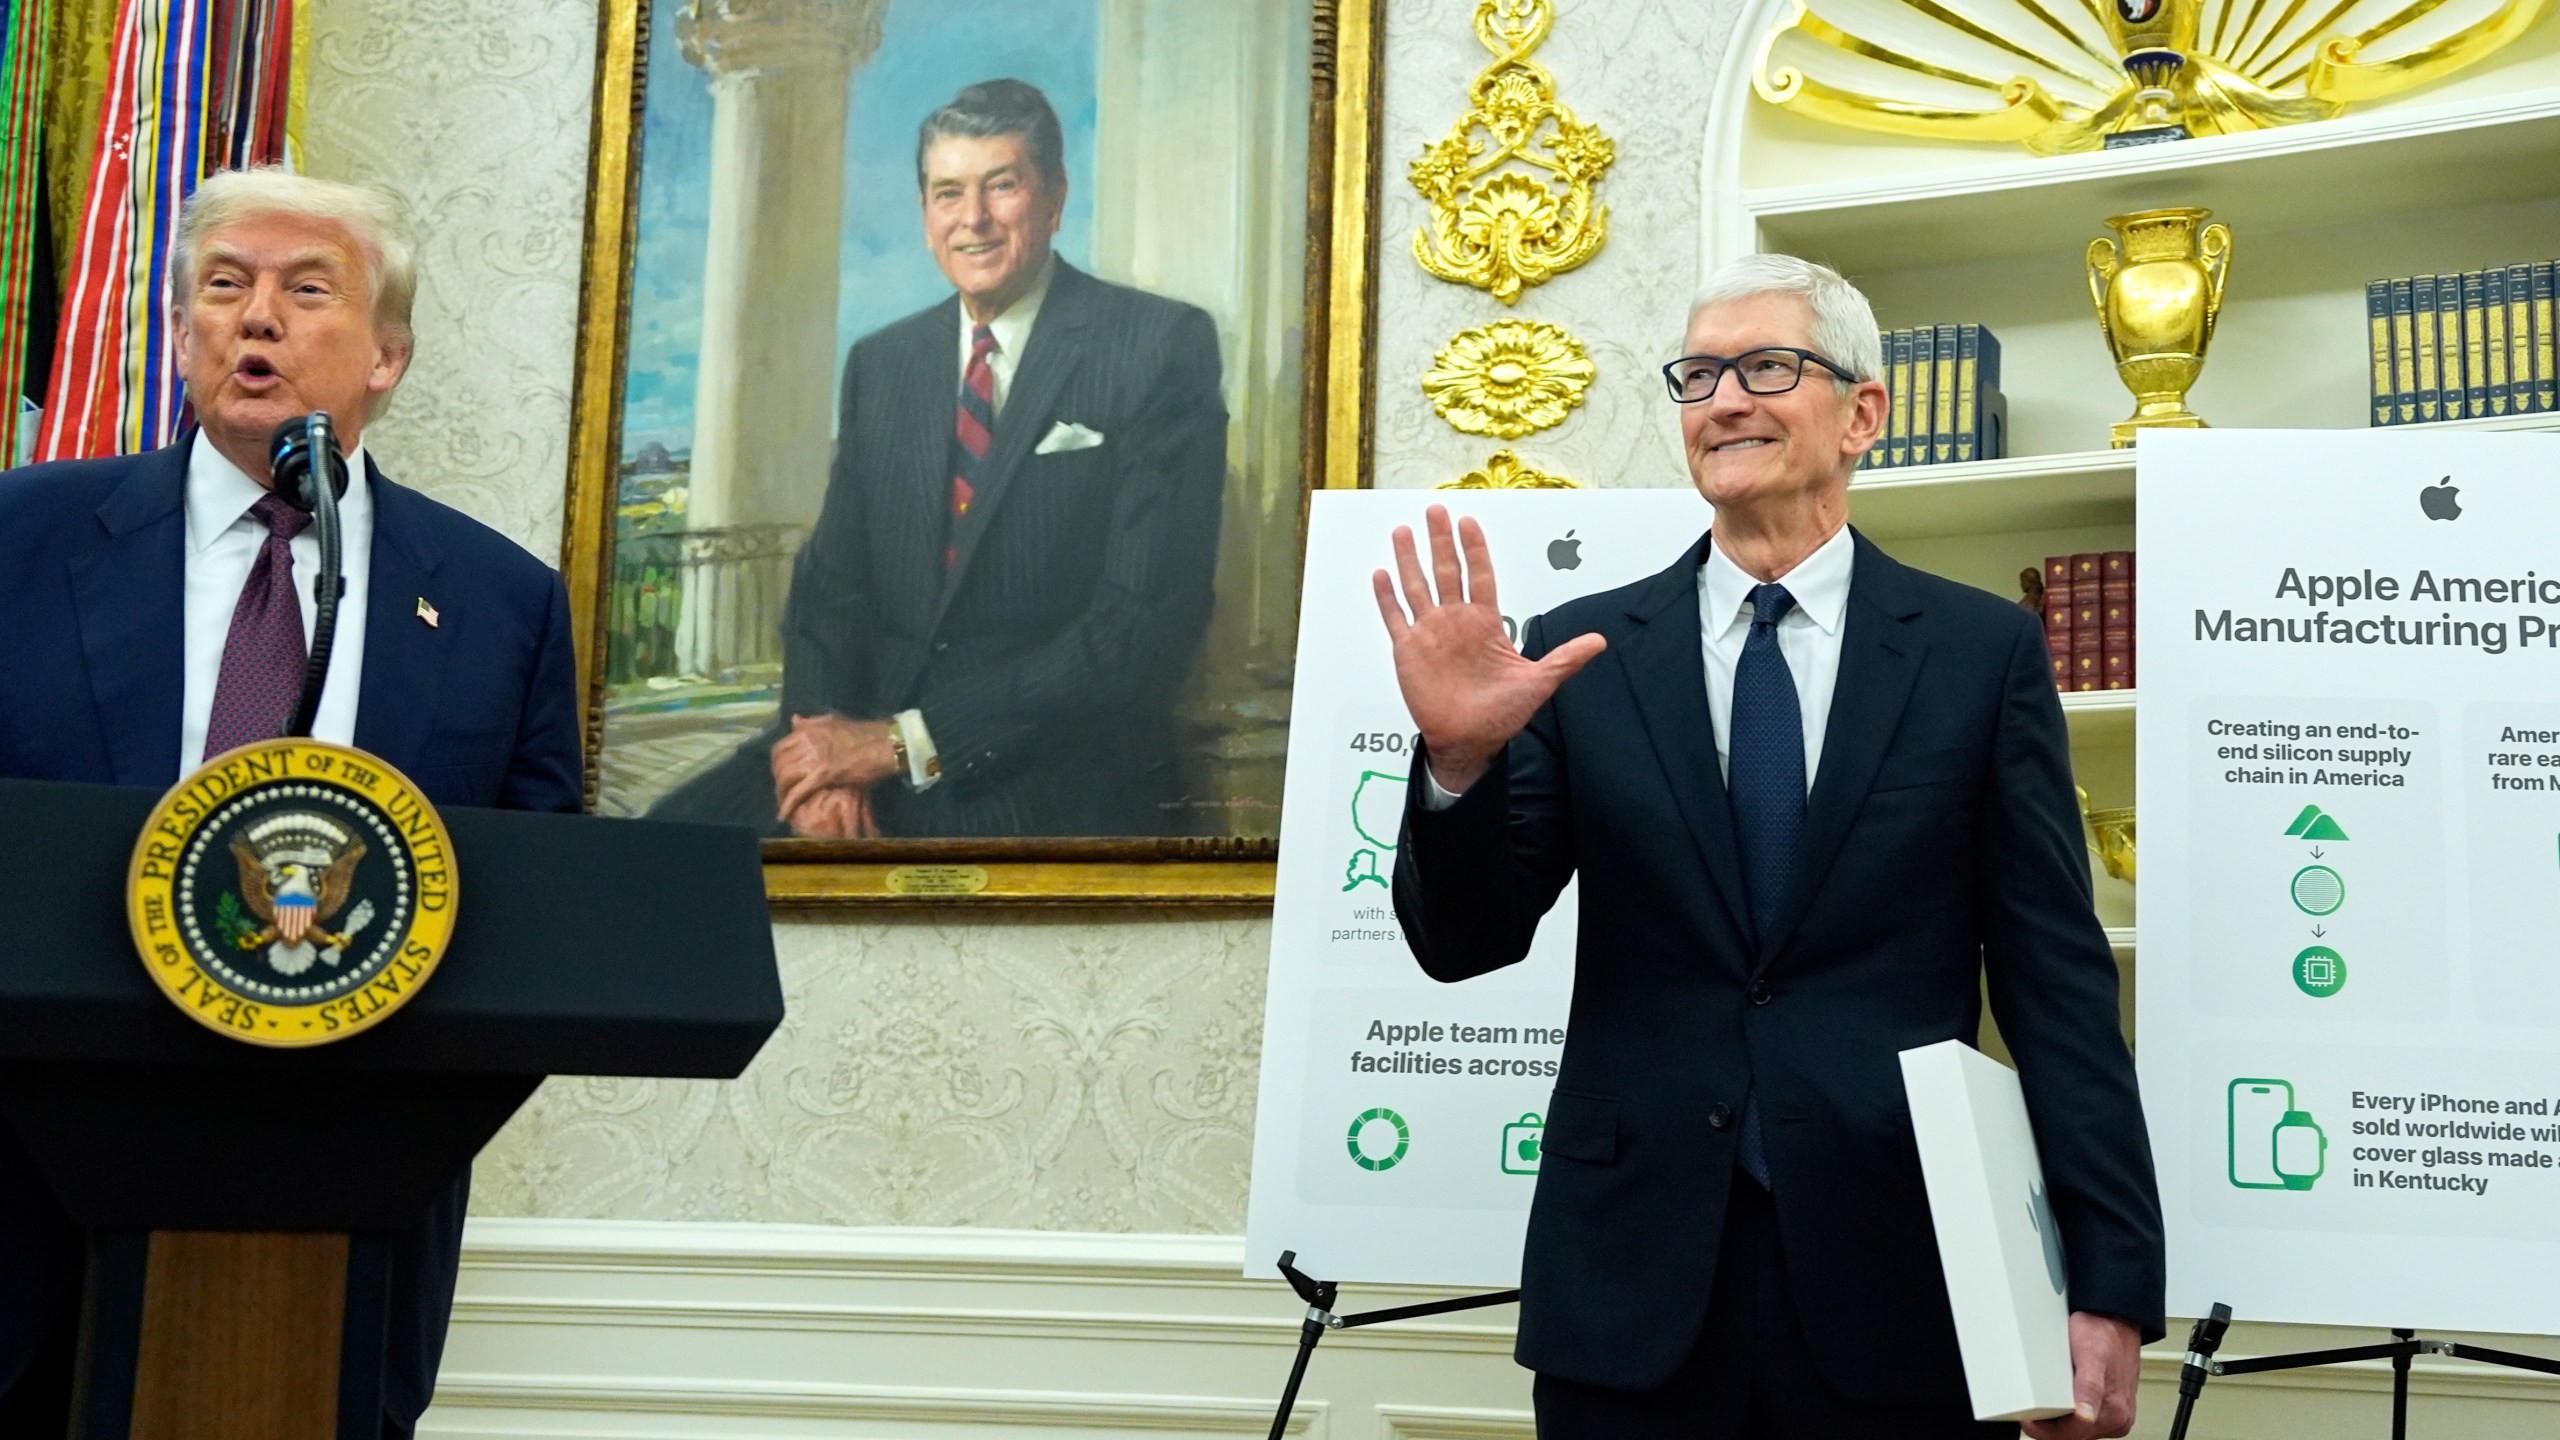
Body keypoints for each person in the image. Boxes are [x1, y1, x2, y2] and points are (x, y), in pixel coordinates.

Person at [1374, 254, 2162, 1439]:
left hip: (1898, 1278)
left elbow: (2055, 982)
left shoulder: (1978, 652)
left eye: (1766, 367)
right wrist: (1456, 765)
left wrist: (2108, 1285)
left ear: (1863, 414)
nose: (1724, 400)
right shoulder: (1578, 653)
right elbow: (1464, 944)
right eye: (1698, 375)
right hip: (1631, 1285)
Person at [0, 167, 580, 1438]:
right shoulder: (19, 544)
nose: (255, 317)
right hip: (24, 1204)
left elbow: (540, 907)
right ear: (184, 336)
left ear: (388, 355)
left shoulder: (499, 603)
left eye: (306, 290)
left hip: (348, 1206)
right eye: (225, 286)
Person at [653, 77, 1228, 838]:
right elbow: (830, 590)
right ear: (925, 214)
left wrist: (900, 745)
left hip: (1042, 761)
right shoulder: (884, 364)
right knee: (655, 858)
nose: (974, 220)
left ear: (1053, 197)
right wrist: (821, 758)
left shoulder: (1156, 347)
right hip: (860, 749)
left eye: (1002, 187)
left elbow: (1136, 633)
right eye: (948, 193)